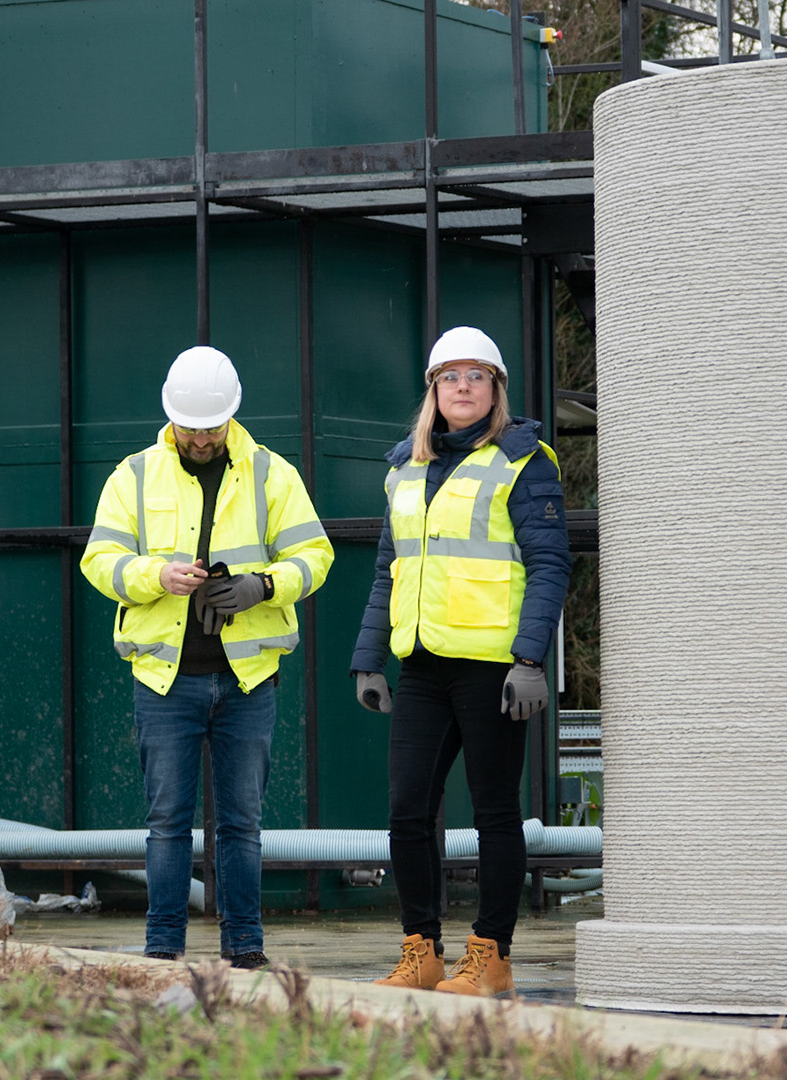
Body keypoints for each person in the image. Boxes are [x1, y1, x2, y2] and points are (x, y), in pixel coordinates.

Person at [80, 346, 333, 970]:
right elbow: (99, 560)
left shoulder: (273, 474)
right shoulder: (132, 476)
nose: (200, 437)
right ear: (172, 418)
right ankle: (161, 952)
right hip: (165, 678)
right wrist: (155, 576)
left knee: (241, 824)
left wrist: (261, 587)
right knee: (167, 822)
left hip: (248, 678)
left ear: (231, 416)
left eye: (211, 426)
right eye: (190, 427)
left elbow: (316, 556)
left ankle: (244, 950)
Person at [350, 326, 570, 996]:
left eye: (476, 375)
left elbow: (550, 564)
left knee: (494, 813)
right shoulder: (404, 468)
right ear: (434, 391)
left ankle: (491, 955)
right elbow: (390, 570)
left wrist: (530, 658)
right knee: (406, 810)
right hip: (422, 665)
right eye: (450, 377)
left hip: (494, 668)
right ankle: (422, 950)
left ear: (496, 388)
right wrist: (368, 660)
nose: (463, 387)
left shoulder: (524, 461)